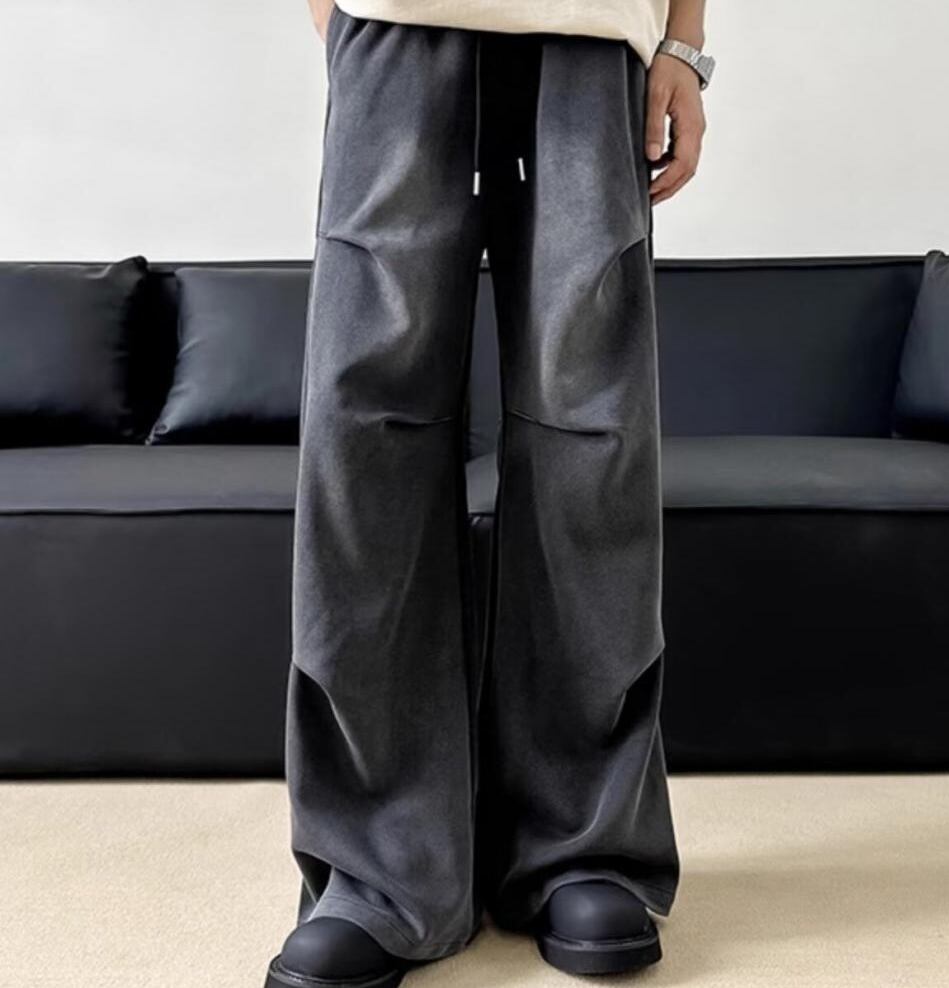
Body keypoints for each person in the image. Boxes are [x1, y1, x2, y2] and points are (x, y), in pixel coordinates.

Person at [266, 1, 711, 985]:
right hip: (395, 28)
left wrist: (683, 44)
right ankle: (376, 868)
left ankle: (583, 846)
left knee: (590, 439)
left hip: (593, 38)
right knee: (363, 442)